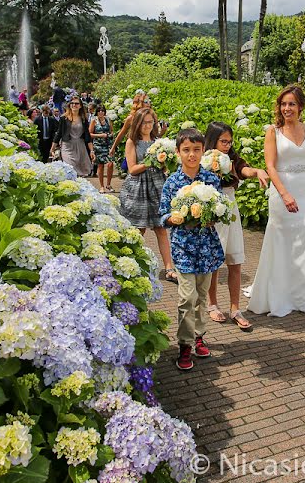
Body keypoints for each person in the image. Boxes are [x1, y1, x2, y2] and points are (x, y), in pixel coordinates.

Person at [246, 85, 305, 317]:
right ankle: (282, 294)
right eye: (283, 104)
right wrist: (284, 194)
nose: (287, 108)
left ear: (300, 106)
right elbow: (270, 167)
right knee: (284, 245)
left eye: (291, 104)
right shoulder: (273, 131)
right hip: (282, 193)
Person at [159, 128, 225, 371]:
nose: (192, 155)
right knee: (187, 297)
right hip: (183, 247)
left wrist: (213, 217)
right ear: (178, 152)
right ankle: (185, 345)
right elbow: (162, 214)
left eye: (196, 150)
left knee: (201, 295)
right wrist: (173, 218)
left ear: (202, 151)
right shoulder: (172, 182)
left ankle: (199, 336)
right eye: (186, 150)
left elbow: (221, 210)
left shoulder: (211, 179)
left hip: (206, 247)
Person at [203, 122, 269, 331]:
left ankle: (235, 309)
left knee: (235, 260)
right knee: (213, 262)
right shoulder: (203, 158)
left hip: (230, 208)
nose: (227, 145)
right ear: (213, 140)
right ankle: (212, 304)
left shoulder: (232, 157)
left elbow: (243, 169)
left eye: (229, 141)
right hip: (212, 210)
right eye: (223, 141)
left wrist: (257, 171)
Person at [119, 107, 177, 283]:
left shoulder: (158, 141)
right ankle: (131, 264)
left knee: (161, 228)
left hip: (157, 186)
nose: (148, 125)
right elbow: (132, 169)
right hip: (138, 188)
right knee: (139, 229)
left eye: (151, 122)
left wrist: (166, 163)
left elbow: (164, 167)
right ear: (137, 123)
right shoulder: (132, 142)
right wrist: (150, 161)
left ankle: (169, 268)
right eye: (144, 122)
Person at [51, 96, 94, 175]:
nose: (74, 105)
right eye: (72, 103)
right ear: (69, 105)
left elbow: (87, 136)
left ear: (80, 106)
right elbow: (59, 133)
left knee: (80, 172)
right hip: (67, 146)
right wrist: (52, 148)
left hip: (80, 146)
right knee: (70, 167)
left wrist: (91, 150)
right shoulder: (64, 118)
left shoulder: (84, 118)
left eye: (76, 103)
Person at [89, 105, 115, 193]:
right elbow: (90, 134)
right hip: (98, 145)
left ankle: (108, 184)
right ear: (97, 112)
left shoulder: (108, 119)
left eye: (102, 110)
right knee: (100, 165)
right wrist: (100, 135)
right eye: (99, 110)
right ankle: (101, 186)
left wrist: (110, 135)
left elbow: (112, 130)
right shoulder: (94, 121)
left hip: (108, 144)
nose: (101, 112)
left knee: (110, 164)